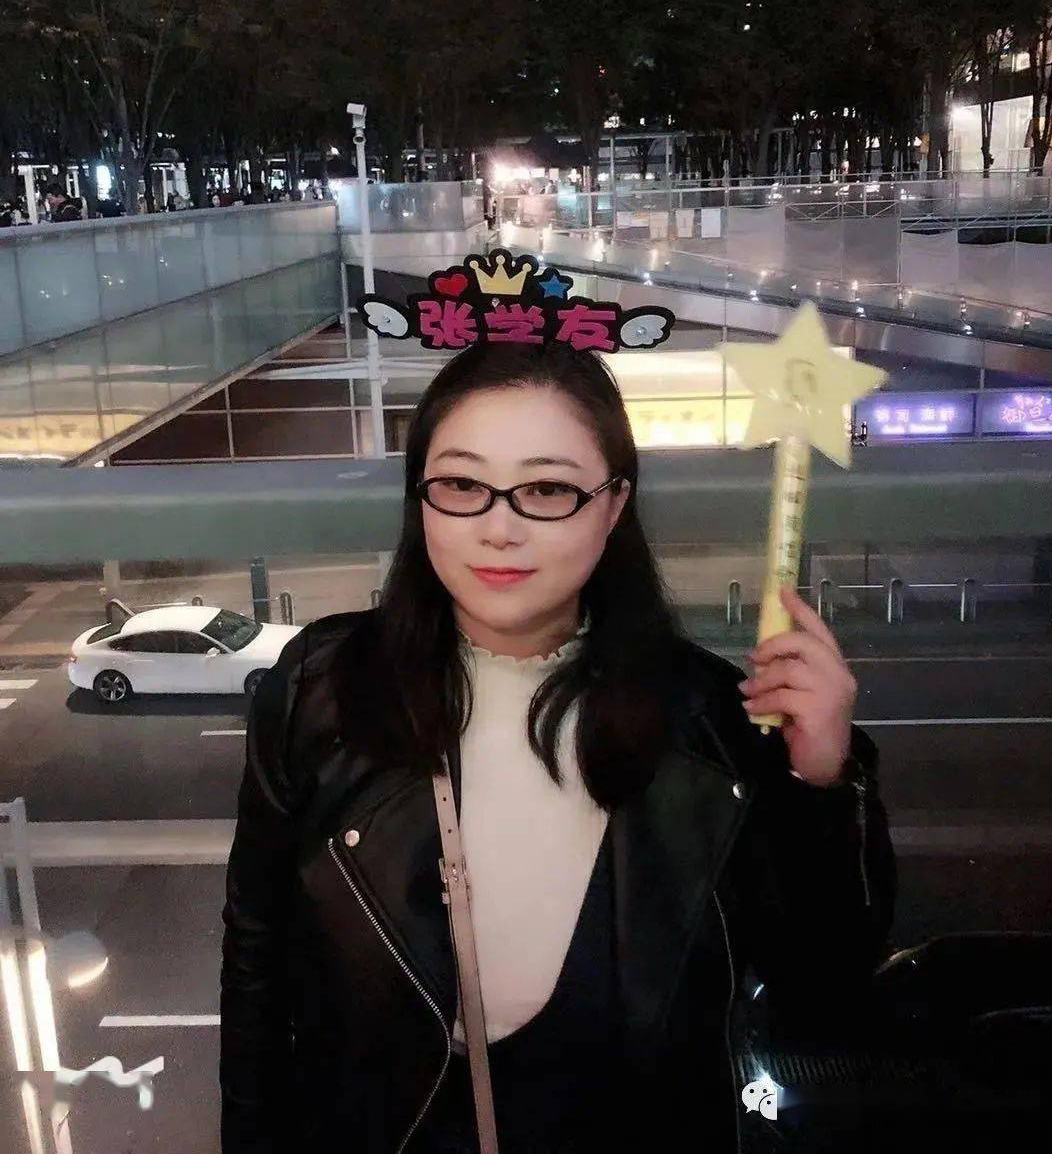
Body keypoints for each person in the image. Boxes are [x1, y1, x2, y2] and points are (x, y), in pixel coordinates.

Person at [220, 339, 897, 1153]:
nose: (498, 528)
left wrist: (822, 782)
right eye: (462, 485)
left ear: (614, 505)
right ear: (420, 498)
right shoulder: (321, 688)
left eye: (547, 489)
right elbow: (257, 966)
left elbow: (820, 992)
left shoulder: (710, 721)